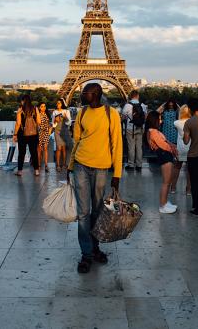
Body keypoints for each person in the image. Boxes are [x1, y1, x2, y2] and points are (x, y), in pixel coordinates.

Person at [67, 83, 123, 274]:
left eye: (85, 93)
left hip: (101, 168)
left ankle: (95, 247)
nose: (82, 95)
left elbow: (117, 143)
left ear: (96, 94)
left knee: (97, 211)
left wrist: (117, 174)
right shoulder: (81, 113)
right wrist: (70, 165)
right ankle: (86, 254)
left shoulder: (111, 113)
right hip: (81, 166)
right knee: (83, 213)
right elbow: (76, 141)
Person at [145, 110, 178, 214]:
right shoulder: (153, 132)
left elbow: (165, 142)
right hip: (165, 157)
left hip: (165, 156)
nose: (161, 120)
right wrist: (173, 149)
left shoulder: (152, 131)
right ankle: (163, 205)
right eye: (159, 119)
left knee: (167, 182)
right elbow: (162, 145)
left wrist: (171, 146)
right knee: (166, 182)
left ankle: (165, 202)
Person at [13, 95, 41, 177]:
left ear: (23, 101)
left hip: (22, 134)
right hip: (33, 134)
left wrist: (15, 134)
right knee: (34, 153)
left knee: (21, 153)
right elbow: (39, 121)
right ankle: (36, 171)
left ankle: (20, 171)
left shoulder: (20, 109)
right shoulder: (35, 108)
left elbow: (18, 123)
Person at [122, 90, 147, 171]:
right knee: (139, 147)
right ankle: (139, 165)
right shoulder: (143, 105)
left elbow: (123, 117)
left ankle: (131, 165)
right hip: (140, 128)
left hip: (130, 128)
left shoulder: (127, 106)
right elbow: (145, 117)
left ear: (130, 96)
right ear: (138, 96)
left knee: (131, 147)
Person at [171, 105, 192, 195]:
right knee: (189, 169)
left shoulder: (176, 122)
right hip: (191, 147)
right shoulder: (192, 122)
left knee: (177, 167)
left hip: (180, 148)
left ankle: (173, 188)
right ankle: (188, 189)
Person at [52, 99, 72, 172]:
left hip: (64, 131)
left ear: (62, 104)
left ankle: (64, 164)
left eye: (59, 103)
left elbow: (69, 122)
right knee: (58, 148)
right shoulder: (54, 112)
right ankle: (57, 165)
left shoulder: (66, 111)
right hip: (57, 131)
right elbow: (53, 125)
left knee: (63, 148)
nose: (58, 104)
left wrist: (65, 117)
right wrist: (55, 120)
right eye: (57, 103)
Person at [37, 102, 51, 172]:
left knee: (45, 148)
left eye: (44, 106)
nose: (43, 108)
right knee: (39, 149)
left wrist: (49, 131)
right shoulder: (38, 115)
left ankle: (46, 165)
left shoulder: (47, 114)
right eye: (42, 106)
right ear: (39, 107)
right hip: (39, 133)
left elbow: (49, 124)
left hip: (46, 133)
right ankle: (38, 164)